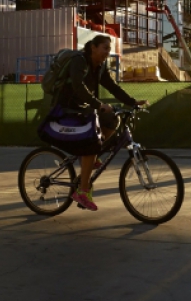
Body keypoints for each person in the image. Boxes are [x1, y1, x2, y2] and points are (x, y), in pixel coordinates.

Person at [54, 34, 146, 211]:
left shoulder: (100, 67)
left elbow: (112, 87)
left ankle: (91, 159)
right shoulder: (79, 61)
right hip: (67, 109)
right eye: (105, 48)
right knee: (92, 144)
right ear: (93, 48)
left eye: (109, 49)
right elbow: (78, 86)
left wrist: (132, 102)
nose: (107, 52)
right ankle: (82, 190)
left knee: (112, 119)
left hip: (84, 108)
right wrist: (98, 104)